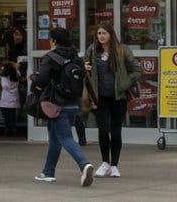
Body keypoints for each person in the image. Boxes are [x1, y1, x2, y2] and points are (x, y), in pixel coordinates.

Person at [30, 26, 94, 187]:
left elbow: (42, 80)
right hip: (73, 104)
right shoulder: (76, 58)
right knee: (54, 137)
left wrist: (33, 78)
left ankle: (84, 165)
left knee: (65, 137)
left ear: (54, 40)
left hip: (56, 104)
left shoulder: (50, 57)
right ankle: (48, 172)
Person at [84, 21, 140, 177]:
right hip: (100, 97)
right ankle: (105, 163)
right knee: (103, 130)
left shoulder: (122, 50)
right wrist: (85, 68)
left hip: (118, 97)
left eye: (104, 33)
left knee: (116, 131)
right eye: (99, 34)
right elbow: (83, 67)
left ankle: (114, 165)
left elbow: (136, 70)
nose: (101, 36)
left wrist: (124, 84)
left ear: (111, 34)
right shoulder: (92, 50)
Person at [0, 61, 22, 136]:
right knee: (12, 116)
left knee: (6, 117)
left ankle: (7, 130)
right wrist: (16, 67)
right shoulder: (16, 76)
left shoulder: (4, 77)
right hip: (14, 99)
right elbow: (18, 72)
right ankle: (13, 129)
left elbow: (5, 86)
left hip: (5, 99)